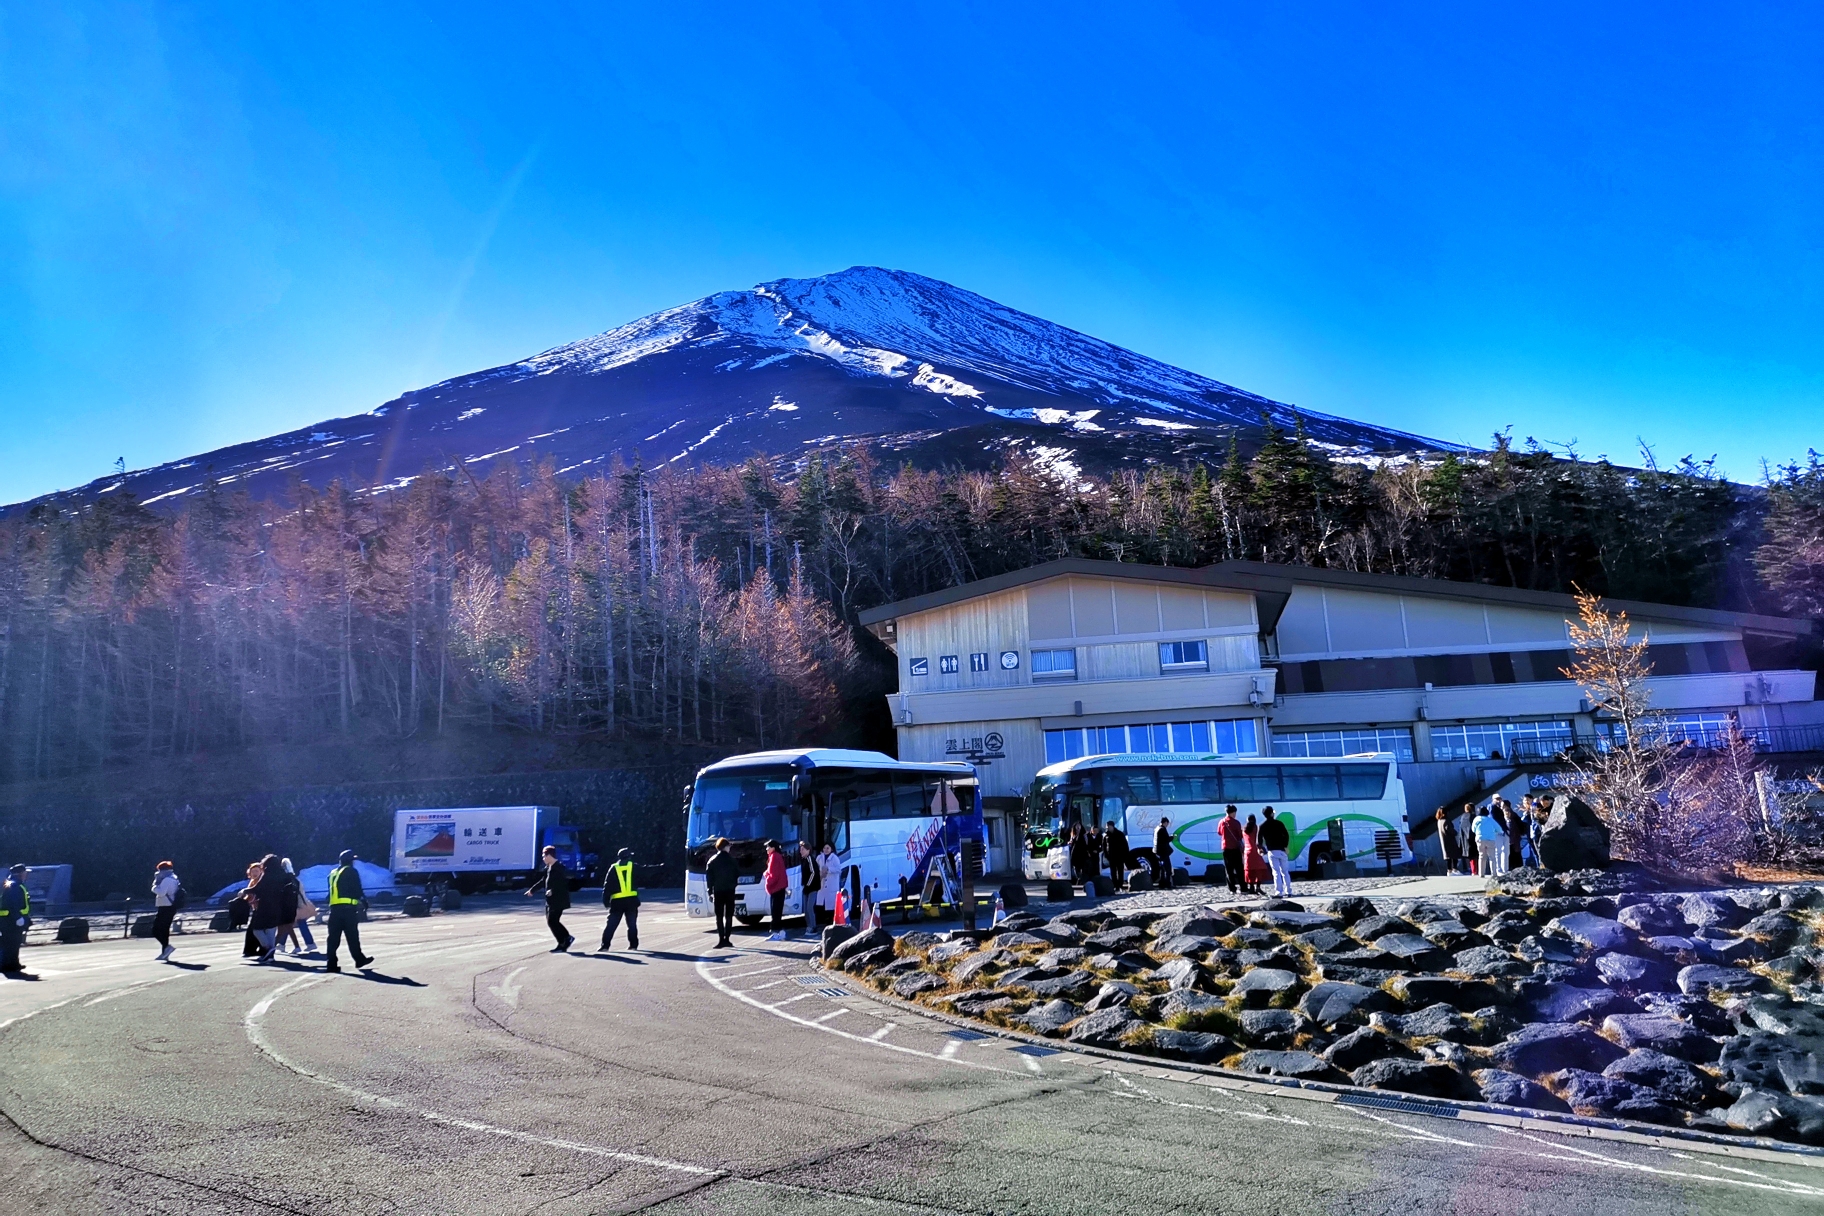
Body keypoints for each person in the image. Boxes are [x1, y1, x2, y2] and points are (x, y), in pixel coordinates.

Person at [324, 849, 374, 973]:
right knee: (352, 936)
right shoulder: (351, 871)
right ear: (349, 861)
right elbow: (357, 889)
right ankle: (359, 959)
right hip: (348, 910)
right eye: (353, 860)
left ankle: (331, 964)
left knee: (333, 938)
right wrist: (364, 901)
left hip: (334, 910)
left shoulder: (333, 873)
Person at [599, 848, 651, 951]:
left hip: (617, 902)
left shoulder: (614, 868)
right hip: (631, 901)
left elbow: (607, 886)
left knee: (611, 925)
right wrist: (661, 867)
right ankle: (633, 945)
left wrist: (606, 901)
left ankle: (605, 946)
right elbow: (646, 871)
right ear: (628, 856)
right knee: (631, 924)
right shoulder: (633, 866)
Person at [527, 845, 573, 952]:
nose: (543, 858)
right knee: (551, 921)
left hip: (559, 899)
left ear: (549, 856)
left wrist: (552, 890)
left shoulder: (559, 868)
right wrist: (532, 890)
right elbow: (544, 881)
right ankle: (564, 940)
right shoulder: (549, 868)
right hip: (551, 900)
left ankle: (564, 941)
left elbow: (563, 883)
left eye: (544, 856)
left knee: (552, 921)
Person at [247, 852, 289, 964]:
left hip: (265, 906)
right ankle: (270, 956)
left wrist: (244, 891)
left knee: (257, 929)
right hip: (278, 906)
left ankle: (268, 949)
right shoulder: (283, 875)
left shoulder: (267, 875)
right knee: (271, 930)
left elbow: (257, 888)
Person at [705, 837, 740, 948]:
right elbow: (737, 874)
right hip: (730, 891)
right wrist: (733, 884)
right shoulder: (732, 860)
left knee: (719, 916)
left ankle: (721, 939)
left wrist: (710, 891)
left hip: (718, 891)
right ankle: (727, 939)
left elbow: (709, 878)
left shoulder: (712, 860)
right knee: (729, 915)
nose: (730, 848)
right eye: (729, 846)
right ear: (725, 847)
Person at [279, 858, 317, 956]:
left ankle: (284, 944)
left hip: (295, 906)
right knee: (295, 924)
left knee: (288, 924)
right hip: (301, 904)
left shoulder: (287, 879)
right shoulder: (295, 879)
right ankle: (309, 943)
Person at [1, 864, 31, 976]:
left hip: (10, 919)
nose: (26, 874)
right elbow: (12, 904)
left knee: (15, 942)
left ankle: (14, 963)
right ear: (20, 873)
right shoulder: (14, 885)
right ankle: (7, 965)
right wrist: (17, 917)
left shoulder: (15, 884)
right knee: (11, 943)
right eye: (25, 872)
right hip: (10, 920)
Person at [151, 861, 181, 962]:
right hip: (169, 906)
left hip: (166, 906)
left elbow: (161, 892)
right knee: (164, 929)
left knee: (156, 930)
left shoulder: (167, 880)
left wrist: (154, 887)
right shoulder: (173, 878)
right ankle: (165, 952)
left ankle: (167, 948)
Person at [1260, 807, 1293, 898]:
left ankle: (1279, 892)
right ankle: (1288, 891)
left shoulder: (1262, 825)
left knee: (1276, 872)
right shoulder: (1279, 823)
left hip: (1272, 851)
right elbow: (1286, 835)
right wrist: (1285, 846)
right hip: (1282, 850)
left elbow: (1258, 840)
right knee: (1285, 871)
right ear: (1272, 814)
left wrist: (1262, 848)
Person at [762, 840, 789, 937]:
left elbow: (773, 874)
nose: (767, 849)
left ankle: (775, 929)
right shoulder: (777, 856)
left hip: (776, 887)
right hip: (780, 886)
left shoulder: (774, 857)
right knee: (777, 908)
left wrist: (766, 877)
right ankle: (776, 927)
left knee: (775, 909)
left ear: (773, 847)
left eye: (768, 847)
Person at [1217, 805, 1245, 895]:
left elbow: (1219, 832)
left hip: (1226, 848)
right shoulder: (1236, 822)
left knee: (1229, 870)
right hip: (1235, 848)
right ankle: (1243, 887)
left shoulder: (1221, 822)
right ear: (1233, 812)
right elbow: (1240, 836)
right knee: (1239, 869)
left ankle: (1232, 889)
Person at [1473, 805, 1506, 878]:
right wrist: (1496, 832)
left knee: (1481, 856)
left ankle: (1481, 873)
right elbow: (1499, 829)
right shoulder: (1490, 819)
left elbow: (1473, 829)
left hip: (1480, 839)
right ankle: (1494, 873)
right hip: (1491, 839)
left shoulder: (1476, 819)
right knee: (1492, 857)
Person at [797, 841, 822, 938]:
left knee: (809, 907)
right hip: (806, 888)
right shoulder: (803, 860)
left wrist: (808, 884)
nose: (801, 851)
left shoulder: (810, 859)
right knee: (806, 909)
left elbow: (813, 872)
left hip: (812, 887)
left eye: (803, 849)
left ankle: (813, 926)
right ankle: (809, 926)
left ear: (808, 850)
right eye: (800, 849)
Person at [1242, 814, 1269, 897]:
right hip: (1255, 850)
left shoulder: (1243, 829)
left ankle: (1251, 887)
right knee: (1259, 869)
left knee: (1250, 871)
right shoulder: (1256, 828)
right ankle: (1258, 887)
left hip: (1247, 851)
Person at [817, 843, 841, 923]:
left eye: (828, 848)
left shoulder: (835, 858)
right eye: (824, 848)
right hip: (822, 883)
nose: (826, 850)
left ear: (831, 849)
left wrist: (828, 869)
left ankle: (831, 920)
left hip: (831, 884)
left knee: (831, 905)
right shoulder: (819, 858)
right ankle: (823, 920)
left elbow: (838, 869)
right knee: (821, 903)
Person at [1103, 820, 1129, 892]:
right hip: (1111, 857)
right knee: (1113, 872)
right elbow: (1104, 846)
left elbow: (1125, 845)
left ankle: (1120, 885)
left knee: (1120, 871)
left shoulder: (1120, 834)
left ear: (1112, 826)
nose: (1107, 827)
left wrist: (1125, 855)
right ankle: (1115, 885)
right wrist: (1106, 855)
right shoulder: (1106, 835)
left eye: (1108, 826)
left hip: (1119, 856)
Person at [1435, 808, 1462, 875]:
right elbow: (1449, 829)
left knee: (1448, 856)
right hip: (1450, 840)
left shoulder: (1439, 821)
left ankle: (1449, 870)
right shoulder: (1446, 820)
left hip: (1444, 840)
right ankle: (1455, 869)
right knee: (1455, 854)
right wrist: (1456, 833)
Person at [1153, 818, 1174, 890]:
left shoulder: (1157, 828)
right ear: (1165, 822)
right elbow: (1166, 840)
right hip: (1163, 852)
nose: (1167, 825)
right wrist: (1172, 837)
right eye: (1167, 823)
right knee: (1167, 868)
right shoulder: (1162, 829)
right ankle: (1168, 884)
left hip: (1158, 851)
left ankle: (1161, 884)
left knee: (1162, 868)